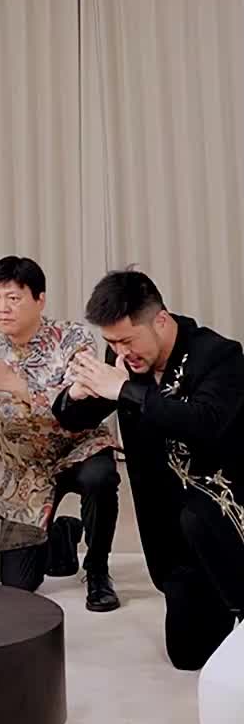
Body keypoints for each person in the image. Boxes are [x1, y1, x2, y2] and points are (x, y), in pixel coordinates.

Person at [55, 270, 244, 668]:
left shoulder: (219, 356)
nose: (120, 352)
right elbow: (73, 419)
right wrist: (77, 393)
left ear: (160, 320)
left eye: (127, 340)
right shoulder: (128, 360)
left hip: (220, 520)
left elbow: (205, 422)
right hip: (169, 532)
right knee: (189, 657)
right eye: (111, 343)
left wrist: (125, 389)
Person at [0, 255, 121, 607]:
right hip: (26, 471)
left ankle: (98, 570)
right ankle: (62, 534)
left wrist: (16, 385)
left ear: (40, 299)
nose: (3, 308)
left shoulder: (73, 339)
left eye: (13, 298)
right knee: (18, 584)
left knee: (100, 478)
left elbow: (76, 410)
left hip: (80, 449)